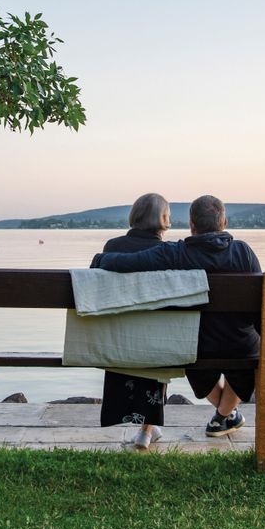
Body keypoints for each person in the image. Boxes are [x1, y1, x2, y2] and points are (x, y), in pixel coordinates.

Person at [93, 195, 261, 438]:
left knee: (192, 362)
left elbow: (131, 262)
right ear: (224, 221)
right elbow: (258, 301)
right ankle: (224, 417)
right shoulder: (244, 252)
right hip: (242, 345)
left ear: (191, 225)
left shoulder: (176, 253)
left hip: (195, 345)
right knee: (247, 357)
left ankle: (224, 416)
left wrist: (101, 260)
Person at [94, 192, 172, 449]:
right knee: (158, 337)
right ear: (162, 219)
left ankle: (146, 428)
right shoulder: (167, 252)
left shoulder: (111, 247)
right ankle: (146, 431)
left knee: (139, 333)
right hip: (155, 338)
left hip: (118, 336)